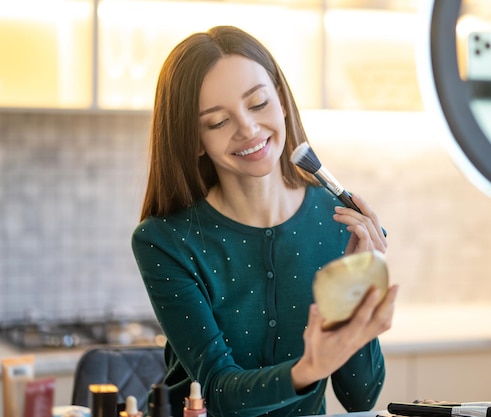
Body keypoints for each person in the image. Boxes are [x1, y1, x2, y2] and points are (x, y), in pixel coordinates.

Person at [131, 25, 398, 417]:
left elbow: (360, 397)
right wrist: (309, 369)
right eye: (219, 122)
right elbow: (217, 393)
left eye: (258, 103)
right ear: (193, 139)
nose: (249, 129)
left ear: (282, 100)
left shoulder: (338, 222)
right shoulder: (166, 240)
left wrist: (358, 291)